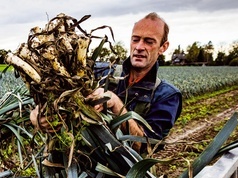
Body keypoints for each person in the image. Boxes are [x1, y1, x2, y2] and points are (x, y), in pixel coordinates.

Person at [31, 12, 182, 154]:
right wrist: (37, 115)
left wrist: (116, 105)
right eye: (135, 39)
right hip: (74, 169)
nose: (139, 47)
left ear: (163, 47)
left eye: (149, 42)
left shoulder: (167, 96)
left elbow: (145, 146)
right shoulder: (100, 71)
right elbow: (52, 91)